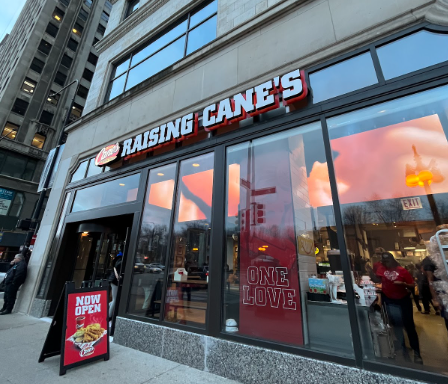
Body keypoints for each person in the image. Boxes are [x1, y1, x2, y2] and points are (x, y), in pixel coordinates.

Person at [366, 252, 422, 364]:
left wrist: (403, 284)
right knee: (396, 326)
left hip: (403, 300)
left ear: (392, 260)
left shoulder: (402, 271)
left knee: (409, 326)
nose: (386, 263)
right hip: (389, 300)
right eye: (384, 261)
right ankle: (403, 349)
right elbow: (377, 279)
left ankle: (416, 352)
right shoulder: (381, 268)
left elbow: (412, 285)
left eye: (387, 261)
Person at [108, 252, 123, 320]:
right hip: (115, 281)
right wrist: (118, 277)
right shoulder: (120, 260)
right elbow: (117, 269)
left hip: (113, 280)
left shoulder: (117, 259)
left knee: (114, 299)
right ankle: (109, 316)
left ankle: (106, 309)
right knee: (115, 299)